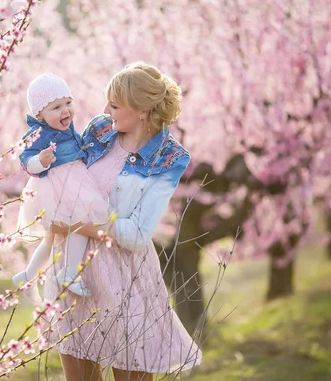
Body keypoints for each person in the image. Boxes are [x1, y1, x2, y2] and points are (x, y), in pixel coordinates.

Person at [44, 62, 202, 381]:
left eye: (114, 105)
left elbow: (137, 234)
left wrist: (77, 226)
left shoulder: (168, 157)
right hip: (75, 270)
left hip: (125, 278)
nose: (105, 110)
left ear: (141, 110)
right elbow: (67, 179)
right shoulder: (101, 130)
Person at [12, 73, 110, 301]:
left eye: (68, 103)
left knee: (52, 237)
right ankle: (69, 272)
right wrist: (40, 161)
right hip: (59, 186)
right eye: (56, 107)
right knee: (80, 222)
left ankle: (27, 275)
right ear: (40, 115)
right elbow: (25, 158)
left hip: (73, 179)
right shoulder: (39, 134)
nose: (65, 111)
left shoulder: (67, 125)